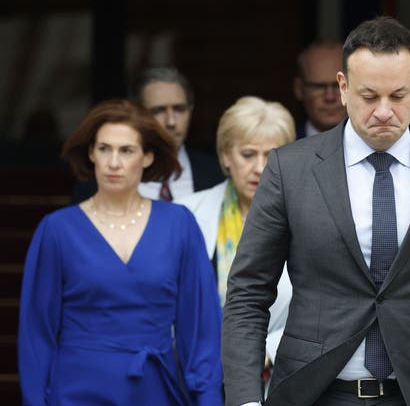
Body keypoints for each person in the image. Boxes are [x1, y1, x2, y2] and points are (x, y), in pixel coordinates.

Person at [222, 17, 410, 406]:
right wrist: (245, 399)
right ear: (343, 88)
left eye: (397, 96)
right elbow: (248, 293)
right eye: (369, 96)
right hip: (314, 392)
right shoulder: (289, 169)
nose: (383, 111)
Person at [19, 99, 223, 405]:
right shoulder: (58, 230)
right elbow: (36, 334)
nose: (113, 162)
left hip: (155, 389)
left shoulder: (178, 224)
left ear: (148, 156)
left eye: (126, 150)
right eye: (104, 149)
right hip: (76, 390)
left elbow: (201, 331)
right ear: (91, 153)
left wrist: (207, 400)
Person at [175, 96, 296, 369]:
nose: (259, 167)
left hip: (276, 377)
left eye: (272, 155)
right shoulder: (186, 213)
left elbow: (325, 307)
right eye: (248, 154)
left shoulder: (309, 218)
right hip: (196, 374)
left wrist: (269, 351)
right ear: (226, 155)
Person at [72, 66, 224, 202]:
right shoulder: (97, 182)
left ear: (190, 111)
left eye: (179, 109)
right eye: (158, 111)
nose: (171, 121)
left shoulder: (217, 175)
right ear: (137, 113)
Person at [293, 41, 347, 138]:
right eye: (318, 87)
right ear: (299, 89)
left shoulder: (379, 146)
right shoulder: (280, 147)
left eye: (339, 86)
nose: (330, 97)